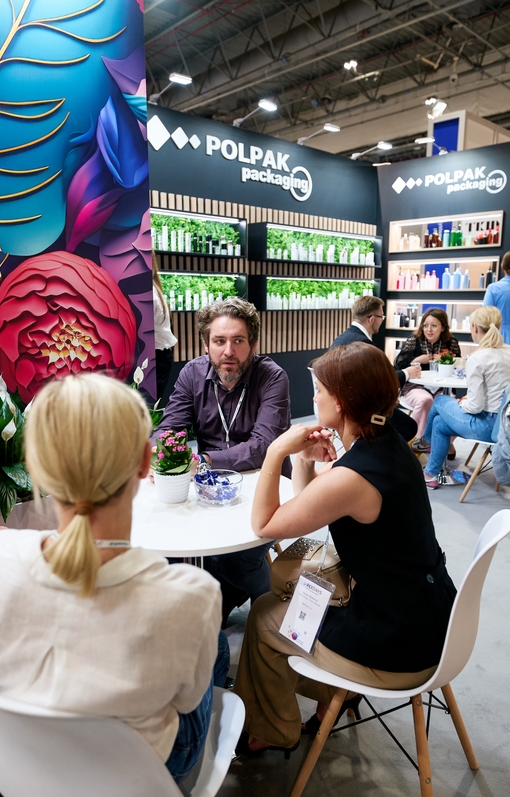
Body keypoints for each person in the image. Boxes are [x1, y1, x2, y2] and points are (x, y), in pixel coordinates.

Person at [0, 374, 224, 782]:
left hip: (20, 763)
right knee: (216, 645)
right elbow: (185, 702)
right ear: (144, 462)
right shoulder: (191, 596)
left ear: (35, 467)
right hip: (139, 774)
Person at [232, 343, 457, 755]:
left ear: (341, 402)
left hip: (397, 641)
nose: (313, 398)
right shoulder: (387, 442)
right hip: (430, 615)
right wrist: (304, 461)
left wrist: (276, 451)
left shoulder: (353, 478)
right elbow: (312, 501)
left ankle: (272, 731)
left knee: (264, 616)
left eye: (318, 390)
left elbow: (263, 524)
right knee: (293, 586)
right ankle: (329, 697)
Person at [156, 297, 289, 623]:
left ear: (253, 344)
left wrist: (202, 459)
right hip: (207, 488)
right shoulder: (192, 373)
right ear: (206, 345)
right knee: (170, 551)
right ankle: (214, 607)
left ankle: (273, 619)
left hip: (265, 486)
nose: (228, 351)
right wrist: (163, 454)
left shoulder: (272, 378)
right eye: (219, 341)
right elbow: (169, 431)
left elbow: (262, 447)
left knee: (237, 561)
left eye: (238, 341)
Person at [419, 307, 510, 489]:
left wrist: (464, 403)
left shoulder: (478, 358)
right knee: (439, 423)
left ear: (475, 327)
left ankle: (424, 441)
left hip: (487, 426)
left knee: (440, 401)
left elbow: (475, 407)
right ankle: (431, 474)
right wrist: (469, 401)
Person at [332, 296, 419, 441]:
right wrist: (406, 374)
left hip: (341, 404)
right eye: (381, 316)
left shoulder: (341, 338)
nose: (382, 320)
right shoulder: (363, 344)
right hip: (360, 410)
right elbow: (379, 382)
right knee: (409, 427)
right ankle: (378, 453)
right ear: (372, 319)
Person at [393, 308, 461, 452]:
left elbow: (459, 368)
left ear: (443, 327)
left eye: (434, 325)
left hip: (442, 387)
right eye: (425, 325)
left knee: (453, 406)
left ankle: (445, 442)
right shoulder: (414, 341)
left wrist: (447, 361)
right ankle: (416, 441)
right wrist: (416, 360)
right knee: (425, 400)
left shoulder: (451, 342)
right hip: (414, 387)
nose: (429, 330)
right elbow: (397, 367)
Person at [151, 254, 179, 399]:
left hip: (157, 355)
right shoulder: (153, 288)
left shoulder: (150, 293)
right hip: (160, 354)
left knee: (149, 404)